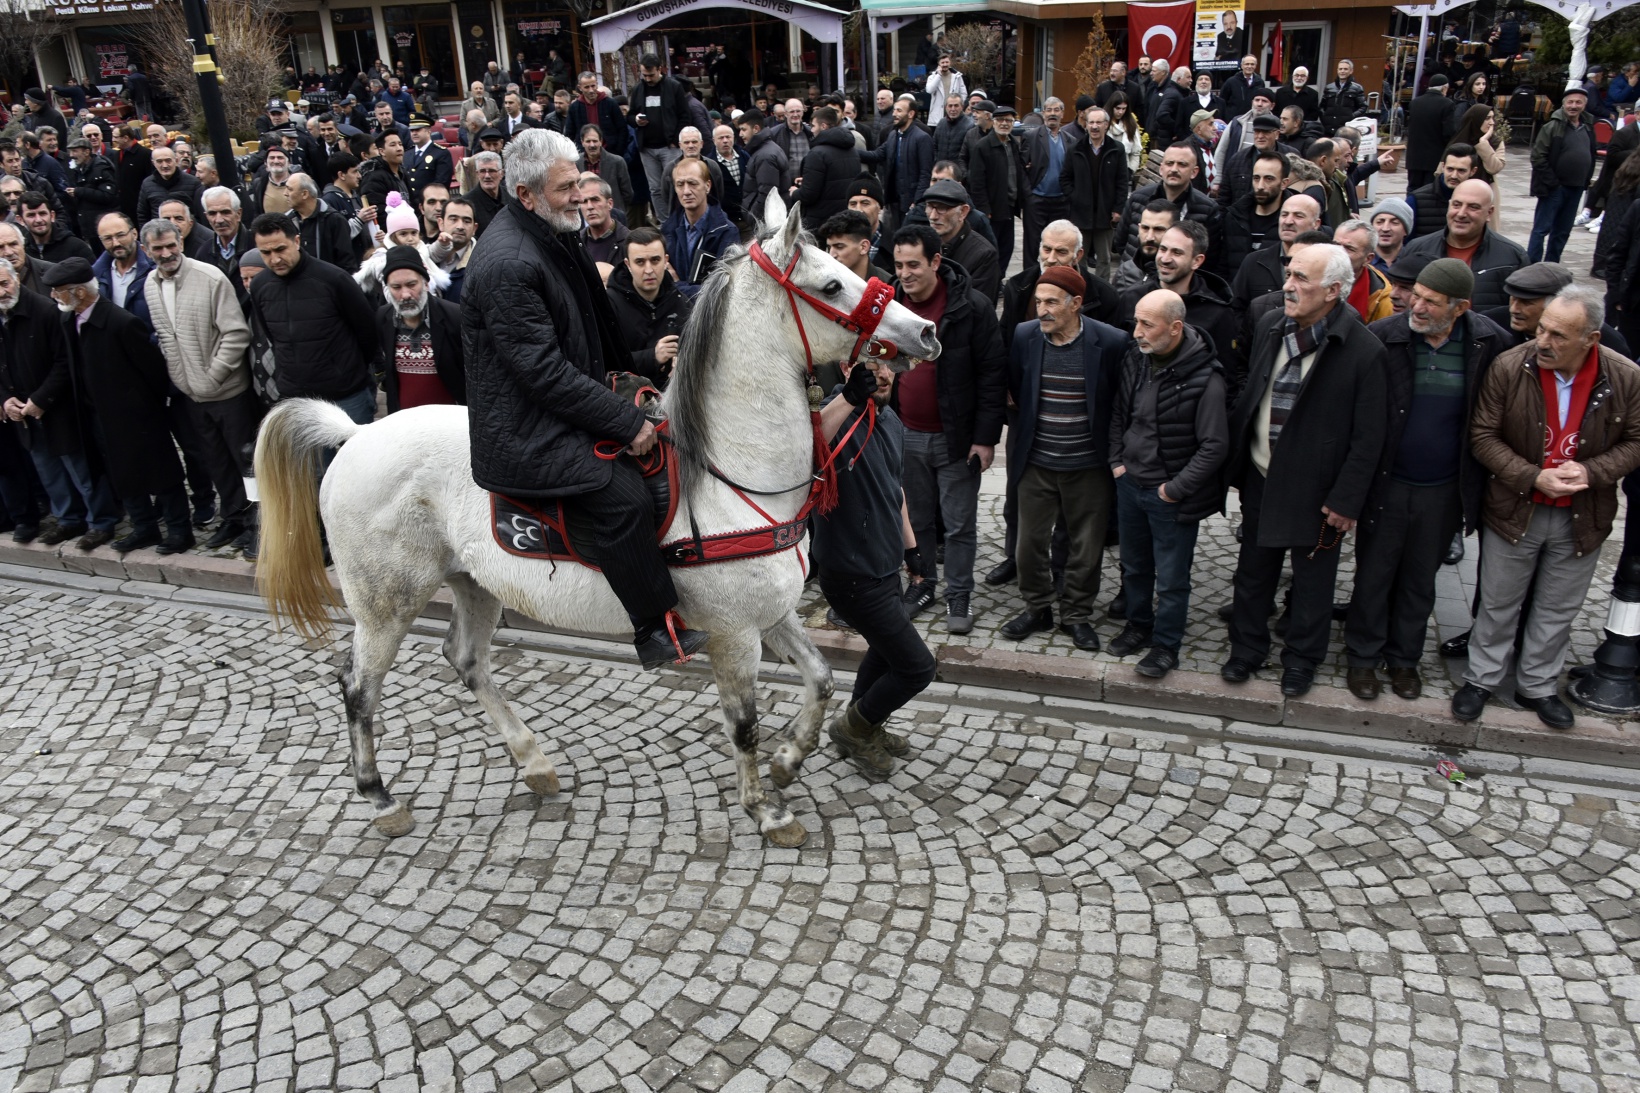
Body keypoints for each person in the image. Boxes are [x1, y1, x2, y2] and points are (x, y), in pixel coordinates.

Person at [461, 128, 706, 668]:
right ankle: (653, 628)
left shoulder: (551, 230)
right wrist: (625, 422)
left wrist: (631, 379)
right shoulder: (507, 263)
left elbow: (594, 325)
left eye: (578, 182)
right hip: (527, 428)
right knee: (625, 500)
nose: (580, 195)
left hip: (561, 402)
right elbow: (542, 373)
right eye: (566, 187)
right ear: (526, 195)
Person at [1454, 288, 1640, 728]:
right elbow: (1482, 435)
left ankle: (1537, 686)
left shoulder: (1626, 377)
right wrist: (1532, 476)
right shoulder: (1509, 366)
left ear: (1591, 339)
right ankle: (1480, 680)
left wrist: (1592, 471)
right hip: (1515, 507)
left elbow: (1635, 441)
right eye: (1542, 329)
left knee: (1558, 607)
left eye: (1558, 335)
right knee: (1499, 601)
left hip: (1582, 514)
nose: (1543, 341)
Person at [1220, 244, 1386, 696]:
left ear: (1333, 291)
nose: (1288, 286)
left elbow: (1369, 438)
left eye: (1300, 279)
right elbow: (1253, 388)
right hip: (1262, 477)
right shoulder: (1271, 325)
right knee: (1253, 573)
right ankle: (1246, 650)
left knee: (1313, 584)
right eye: (1289, 274)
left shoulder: (1364, 350)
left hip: (1319, 494)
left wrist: (1346, 499)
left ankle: (1302, 660)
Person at [1342, 258, 1509, 701]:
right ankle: (1362, 657)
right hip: (1388, 483)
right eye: (1416, 296)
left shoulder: (1489, 342)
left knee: (1420, 579)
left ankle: (1404, 659)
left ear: (1461, 307)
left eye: (1431, 302)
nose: (1416, 306)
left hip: (1444, 489)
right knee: (1374, 574)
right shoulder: (1384, 336)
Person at [814, 331, 933, 781]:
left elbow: (894, 490)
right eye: (872, 364)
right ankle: (853, 728)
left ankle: (863, 724)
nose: (884, 374)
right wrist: (848, 396)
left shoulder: (890, 420)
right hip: (851, 573)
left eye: (890, 365)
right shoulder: (835, 412)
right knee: (918, 668)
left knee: (885, 651)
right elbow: (810, 445)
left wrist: (912, 548)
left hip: (885, 566)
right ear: (848, 368)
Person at [997, 261, 1124, 651]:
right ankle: (1038, 608)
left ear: (1076, 303)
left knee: (1086, 548)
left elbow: (1118, 403)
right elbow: (1017, 390)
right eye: (1038, 302)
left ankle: (1076, 615)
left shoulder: (1111, 342)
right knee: (1028, 545)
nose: (1042, 310)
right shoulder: (1024, 336)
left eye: (1052, 302)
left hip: (1088, 466)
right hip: (1037, 463)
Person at [1106, 287, 1229, 677]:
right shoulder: (1136, 358)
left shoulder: (1206, 378)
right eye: (1136, 322)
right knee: (1134, 567)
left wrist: (1173, 490)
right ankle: (1138, 626)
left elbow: (1214, 445)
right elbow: (1119, 413)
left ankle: (1166, 646)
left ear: (1175, 328)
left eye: (1147, 324)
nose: (1136, 332)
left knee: (1173, 579)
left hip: (1168, 497)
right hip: (1130, 484)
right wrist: (1117, 463)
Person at [891, 224, 1006, 635]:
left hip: (955, 439)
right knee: (917, 520)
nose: (904, 273)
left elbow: (993, 374)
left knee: (958, 525)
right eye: (899, 265)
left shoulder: (971, 307)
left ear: (936, 262)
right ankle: (922, 583)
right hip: (905, 434)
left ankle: (960, 594)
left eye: (913, 265)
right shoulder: (890, 304)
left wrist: (985, 439)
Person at [45, 258, 193, 554]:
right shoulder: (68, 320)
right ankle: (144, 528)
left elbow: (153, 370)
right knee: (121, 474)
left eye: (59, 291)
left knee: (161, 474)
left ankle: (179, 531)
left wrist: (143, 407)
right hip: (98, 415)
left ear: (80, 292)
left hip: (137, 417)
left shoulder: (121, 323)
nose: (53, 297)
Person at [141, 218, 260, 555]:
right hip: (191, 393)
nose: (167, 253)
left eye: (171, 245)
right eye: (158, 248)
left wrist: (213, 375)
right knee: (215, 461)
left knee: (245, 462)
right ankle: (234, 518)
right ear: (146, 250)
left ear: (181, 242)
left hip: (228, 391)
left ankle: (258, 523)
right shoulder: (150, 283)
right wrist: (182, 378)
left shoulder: (210, 278)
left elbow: (236, 333)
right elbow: (166, 335)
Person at [0, 256, 120, 549]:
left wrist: (41, 399)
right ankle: (68, 520)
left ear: (16, 279)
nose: (1, 292)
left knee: (80, 469)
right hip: (22, 412)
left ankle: (101, 521)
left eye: (4, 283)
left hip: (57, 407)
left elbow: (65, 362)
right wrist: (4, 400)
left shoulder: (45, 311)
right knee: (48, 471)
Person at [247, 213, 380, 424]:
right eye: (266, 253)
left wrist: (345, 370)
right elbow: (273, 336)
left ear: (296, 241)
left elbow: (367, 332)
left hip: (346, 395)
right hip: (297, 398)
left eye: (280, 249)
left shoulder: (334, 279)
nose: (275, 259)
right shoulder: (259, 286)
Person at [1118, 219, 1239, 378]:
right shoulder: (1132, 298)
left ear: (1197, 261)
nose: (1165, 259)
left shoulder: (1218, 313)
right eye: (1163, 249)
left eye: (1177, 253)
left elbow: (1226, 374)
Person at [1398, 179, 1526, 312]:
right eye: (1457, 205)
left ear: (1489, 212)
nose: (1461, 214)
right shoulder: (1416, 249)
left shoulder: (1513, 257)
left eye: (1473, 207)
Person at [374, 245, 464, 413]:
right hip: (403, 421)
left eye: (411, 284)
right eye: (396, 287)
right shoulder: (383, 318)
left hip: (449, 421)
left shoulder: (454, 317)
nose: (405, 294)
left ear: (426, 283)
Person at [1114, 143, 1225, 278]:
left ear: (1194, 172)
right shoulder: (1138, 198)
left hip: (1178, 284)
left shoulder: (1207, 209)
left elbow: (1211, 257)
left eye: (1182, 164)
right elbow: (1120, 240)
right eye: (1169, 163)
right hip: (1133, 277)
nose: (1174, 169)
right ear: (1161, 168)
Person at [605, 227, 689, 383]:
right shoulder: (609, 305)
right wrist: (652, 357)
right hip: (626, 394)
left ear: (666, 261)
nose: (649, 270)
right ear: (628, 264)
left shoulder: (681, 303)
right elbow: (604, 361)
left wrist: (685, 363)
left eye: (655, 260)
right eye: (640, 262)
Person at [1528, 85, 1597, 264]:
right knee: (1541, 230)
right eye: (1570, 102)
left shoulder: (1588, 126)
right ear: (1564, 104)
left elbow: (1591, 153)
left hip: (1576, 188)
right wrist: (1553, 183)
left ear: (1584, 105)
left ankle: (1552, 266)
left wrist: (1586, 181)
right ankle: (1532, 266)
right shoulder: (1552, 127)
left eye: (1578, 102)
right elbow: (1538, 157)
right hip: (1554, 188)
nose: (1573, 106)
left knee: (1562, 231)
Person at [1060, 105, 1130, 284]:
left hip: (1105, 214)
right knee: (1079, 256)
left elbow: (1122, 182)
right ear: (1086, 124)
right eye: (1091, 122)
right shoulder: (1075, 149)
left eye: (1099, 122)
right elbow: (1065, 178)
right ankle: (1081, 286)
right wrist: (1074, 197)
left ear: (1106, 125)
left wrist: (1118, 209)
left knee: (1104, 258)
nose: (1094, 126)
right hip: (1081, 213)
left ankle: (1102, 288)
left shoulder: (1117, 149)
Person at [659, 158, 734, 292]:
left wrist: (677, 286)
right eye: (680, 185)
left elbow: (721, 290)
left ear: (707, 186)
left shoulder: (727, 232)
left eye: (692, 183)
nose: (686, 191)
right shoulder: (667, 230)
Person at [966, 103, 1025, 274]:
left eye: (1008, 120)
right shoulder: (983, 146)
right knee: (991, 247)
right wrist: (984, 209)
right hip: (992, 208)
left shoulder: (1013, 144)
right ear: (993, 121)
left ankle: (999, 278)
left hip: (1009, 205)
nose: (1004, 123)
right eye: (1000, 120)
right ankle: (991, 280)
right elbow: (976, 182)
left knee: (1007, 247)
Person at [920, 180, 1001, 303]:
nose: (933, 216)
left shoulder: (984, 255)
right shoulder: (922, 245)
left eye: (942, 208)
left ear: (963, 212)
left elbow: (979, 307)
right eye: (930, 207)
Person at [633, 54, 691, 222]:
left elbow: (685, 115)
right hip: (647, 148)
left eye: (651, 75)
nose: (648, 79)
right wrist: (636, 120)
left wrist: (675, 140)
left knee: (675, 185)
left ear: (660, 69)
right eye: (645, 75)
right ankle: (665, 224)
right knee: (655, 189)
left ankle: (680, 221)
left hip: (669, 147)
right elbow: (630, 115)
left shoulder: (674, 87)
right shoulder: (638, 89)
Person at [860, 96, 934, 222]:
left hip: (911, 202)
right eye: (894, 110)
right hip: (894, 200)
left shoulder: (922, 138)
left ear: (910, 114)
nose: (894, 114)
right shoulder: (893, 135)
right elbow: (877, 155)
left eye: (899, 111)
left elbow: (925, 173)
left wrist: (918, 201)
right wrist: (852, 152)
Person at [792, 106, 859, 231]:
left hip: (821, 223)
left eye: (813, 126)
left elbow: (808, 195)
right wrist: (808, 180)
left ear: (823, 126)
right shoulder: (852, 151)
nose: (811, 130)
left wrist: (794, 192)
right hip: (845, 219)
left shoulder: (817, 154)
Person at [1022, 97, 1072, 262]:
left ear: (1062, 113)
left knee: (1058, 243)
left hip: (1061, 201)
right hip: (1037, 200)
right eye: (1049, 110)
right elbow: (1021, 168)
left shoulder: (1070, 140)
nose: (1052, 114)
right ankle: (1031, 275)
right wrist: (1028, 195)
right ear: (1043, 113)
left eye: (1056, 110)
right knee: (1033, 244)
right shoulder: (1031, 137)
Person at [1224, 149, 1289, 274]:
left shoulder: (1291, 221)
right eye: (1256, 178)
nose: (1260, 186)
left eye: (1269, 179)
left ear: (1284, 183)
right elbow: (1222, 265)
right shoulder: (1234, 217)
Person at [285, 173, 358, 274]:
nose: (285, 193)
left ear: (305, 194)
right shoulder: (287, 220)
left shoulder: (334, 220)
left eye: (290, 189)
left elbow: (346, 263)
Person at [1334, 219, 1395, 323]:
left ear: (1368, 259)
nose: (1338, 252)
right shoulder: (1312, 270)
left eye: (1349, 248)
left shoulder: (1383, 300)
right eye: (1335, 244)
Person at [65, 138, 118, 254]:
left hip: (104, 226)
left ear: (86, 152)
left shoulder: (101, 168)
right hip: (90, 227)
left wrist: (79, 191)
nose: (71, 155)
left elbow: (107, 195)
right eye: (70, 151)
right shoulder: (79, 170)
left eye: (75, 151)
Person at [1405, 76, 1457, 190]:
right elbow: (1449, 132)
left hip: (1414, 156)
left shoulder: (1415, 102)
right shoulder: (1447, 104)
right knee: (1429, 190)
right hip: (1434, 157)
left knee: (1413, 188)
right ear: (1444, 88)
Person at [428, 196, 478, 305]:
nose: (460, 226)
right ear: (441, 223)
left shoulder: (482, 264)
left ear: (474, 228)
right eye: (453, 219)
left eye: (466, 221)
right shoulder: (425, 257)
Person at [17, 191, 90, 265]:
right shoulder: (21, 251)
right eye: (31, 215)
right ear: (20, 220)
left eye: (42, 213)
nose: (38, 220)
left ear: (52, 216)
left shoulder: (76, 247)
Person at [568, 72, 627, 158]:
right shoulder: (574, 107)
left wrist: (618, 151)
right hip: (584, 155)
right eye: (587, 87)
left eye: (593, 86)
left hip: (610, 153)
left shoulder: (610, 103)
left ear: (597, 84)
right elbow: (569, 134)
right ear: (580, 88)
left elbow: (622, 129)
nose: (591, 90)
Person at [578, 125, 633, 215]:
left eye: (595, 141)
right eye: (588, 141)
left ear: (601, 141)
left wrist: (618, 210)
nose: (592, 145)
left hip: (613, 215)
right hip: (587, 215)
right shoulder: (576, 163)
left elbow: (628, 194)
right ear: (582, 142)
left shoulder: (617, 162)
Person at [578, 176, 629, 266]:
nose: (590, 206)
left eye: (595, 200)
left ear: (610, 204)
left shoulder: (629, 242)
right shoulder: (576, 243)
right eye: (584, 201)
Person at [404, 121, 454, 205]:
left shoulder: (441, 153)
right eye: (412, 131)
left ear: (428, 131)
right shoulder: (407, 153)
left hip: (431, 202)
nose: (414, 133)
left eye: (418, 130)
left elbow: (441, 182)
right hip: (409, 203)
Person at [463, 150, 506, 235]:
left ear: (501, 174)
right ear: (477, 174)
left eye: (492, 171)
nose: (487, 176)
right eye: (482, 171)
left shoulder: (512, 197)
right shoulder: (466, 203)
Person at [1321, 60, 1369, 131]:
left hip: (1347, 128)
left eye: (1345, 69)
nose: (1342, 71)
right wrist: (1324, 118)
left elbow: (1363, 107)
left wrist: (1351, 116)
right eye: (1340, 69)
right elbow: (1322, 106)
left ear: (1351, 71)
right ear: (1337, 70)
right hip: (1329, 127)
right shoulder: (1329, 87)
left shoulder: (1357, 88)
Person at [1221, 57, 1267, 121]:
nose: (1249, 66)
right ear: (1242, 65)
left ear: (1255, 66)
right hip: (1233, 120)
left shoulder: (1260, 82)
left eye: (1252, 64)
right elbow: (1222, 100)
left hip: (1253, 119)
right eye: (1247, 64)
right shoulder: (1231, 81)